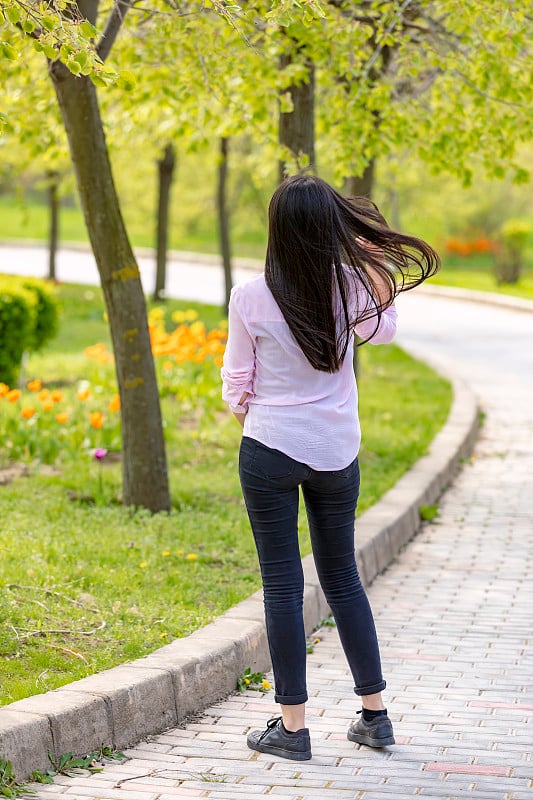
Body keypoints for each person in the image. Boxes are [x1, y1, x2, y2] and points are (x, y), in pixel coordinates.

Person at [221, 174, 439, 761]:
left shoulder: (250, 295)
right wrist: (370, 270)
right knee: (343, 576)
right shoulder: (351, 289)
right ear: (331, 228)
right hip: (336, 452)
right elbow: (386, 331)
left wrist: (255, 413)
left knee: (282, 584)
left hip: (269, 448)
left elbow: (236, 384)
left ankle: (291, 730)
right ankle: (375, 716)